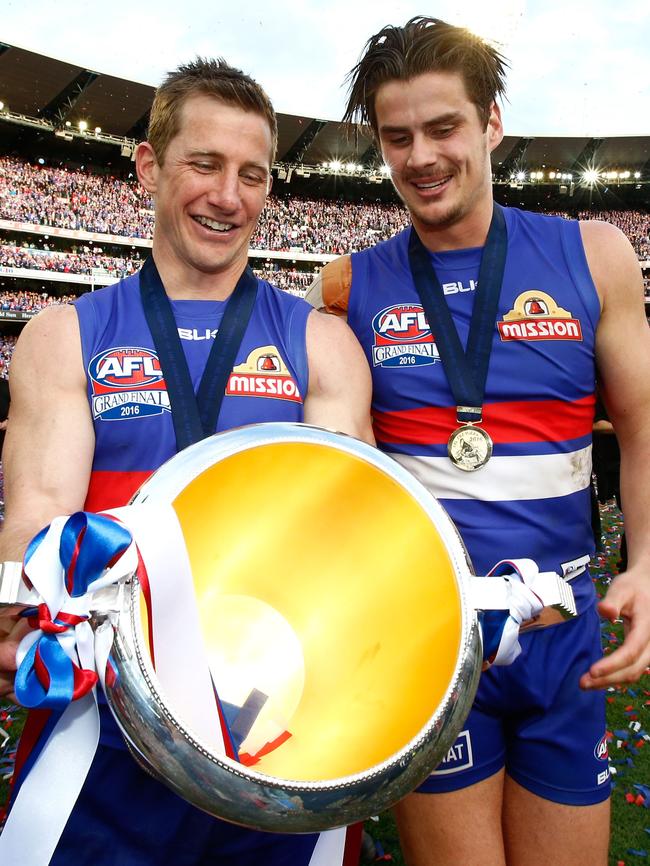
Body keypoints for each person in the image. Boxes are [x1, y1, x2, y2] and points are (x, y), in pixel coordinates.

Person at [0, 58, 372, 866]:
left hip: (278, 730)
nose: (228, 197)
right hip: (100, 724)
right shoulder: (66, 334)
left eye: (251, 174)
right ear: (147, 166)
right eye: (204, 164)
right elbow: (36, 514)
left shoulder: (323, 347)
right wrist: (20, 608)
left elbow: (353, 539)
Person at [306, 17, 650, 866]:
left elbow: (641, 427)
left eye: (443, 127)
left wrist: (647, 561)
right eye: (398, 137)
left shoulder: (595, 255)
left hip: (562, 631)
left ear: (490, 123)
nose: (420, 155)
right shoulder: (348, 286)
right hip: (432, 640)